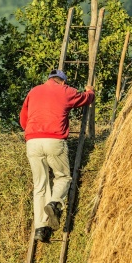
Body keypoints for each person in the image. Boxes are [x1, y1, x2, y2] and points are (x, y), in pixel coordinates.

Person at [19, 69, 94, 243]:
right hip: (54, 139)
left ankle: (40, 228)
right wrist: (90, 91)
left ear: (49, 79)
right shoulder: (65, 91)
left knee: (40, 185)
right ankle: (54, 203)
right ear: (62, 81)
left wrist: (33, 131)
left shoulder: (34, 91)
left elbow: (23, 119)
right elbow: (84, 99)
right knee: (63, 177)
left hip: (32, 142)